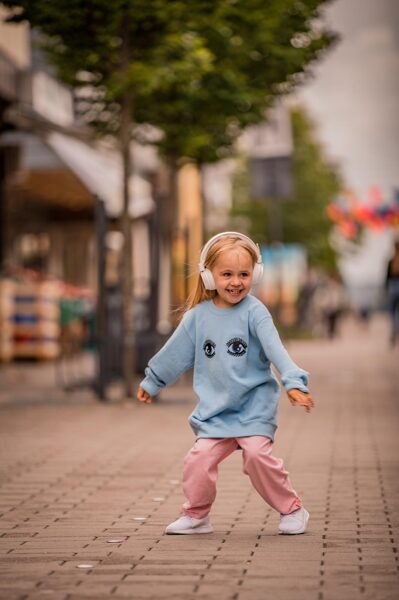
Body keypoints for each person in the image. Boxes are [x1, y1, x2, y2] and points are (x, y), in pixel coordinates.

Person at [137, 232, 314, 536]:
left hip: (253, 407)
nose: (236, 282)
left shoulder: (255, 312)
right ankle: (197, 515)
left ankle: (292, 509)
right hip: (215, 410)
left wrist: (293, 383)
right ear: (209, 276)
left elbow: (277, 351)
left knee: (257, 456)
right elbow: (174, 352)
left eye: (244, 274)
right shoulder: (197, 317)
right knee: (199, 459)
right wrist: (153, 381)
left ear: (255, 274)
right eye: (227, 274)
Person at [385, 240, 399, 346]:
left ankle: (394, 329)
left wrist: (386, 289)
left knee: (392, 312)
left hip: (392, 286)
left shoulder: (391, 261)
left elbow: (386, 277)